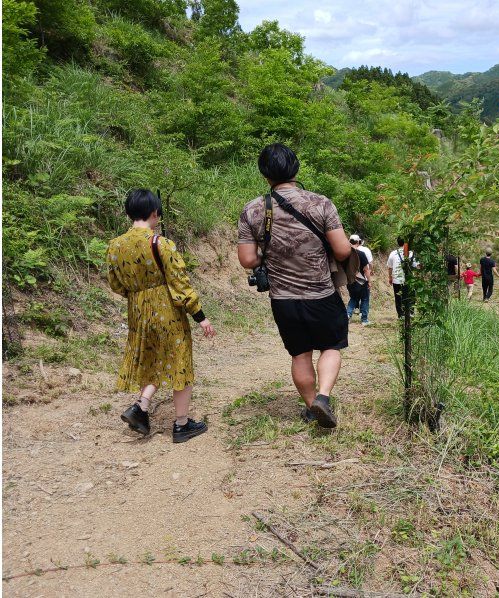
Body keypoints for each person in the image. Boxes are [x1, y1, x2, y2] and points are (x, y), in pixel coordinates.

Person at [237, 143, 351, 428]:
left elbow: (247, 259)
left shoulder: (252, 210)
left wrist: (272, 251)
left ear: (265, 174)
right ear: (296, 168)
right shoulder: (320, 203)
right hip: (321, 293)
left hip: (284, 299)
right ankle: (323, 398)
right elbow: (342, 250)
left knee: (300, 354)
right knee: (331, 346)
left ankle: (312, 406)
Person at [107, 189, 215, 443]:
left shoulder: (115, 245)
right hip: (166, 310)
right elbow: (180, 284)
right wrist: (200, 316)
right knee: (179, 362)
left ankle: (141, 407)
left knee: (153, 358)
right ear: (155, 213)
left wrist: (138, 296)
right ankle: (181, 424)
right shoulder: (160, 243)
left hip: (137, 310)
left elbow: (115, 284)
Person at [387, 237, 415, 319]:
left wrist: (390, 277)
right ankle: (411, 312)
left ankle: (401, 314)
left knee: (398, 297)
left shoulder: (393, 253)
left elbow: (390, 267)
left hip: (396, 279)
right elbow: (416, 265)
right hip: (409, 279)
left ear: (398, 243)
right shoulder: (411, 253)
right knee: (411, 296)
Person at [346, 235, 372, 325]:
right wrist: (369, 281)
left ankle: (347, 315)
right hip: (360, 279)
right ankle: (364, 320)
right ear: (358, 242)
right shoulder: (361, 254)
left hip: (349, 280)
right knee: (365, 298)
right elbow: (366, 269)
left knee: (353, 297)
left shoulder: (345, 254)